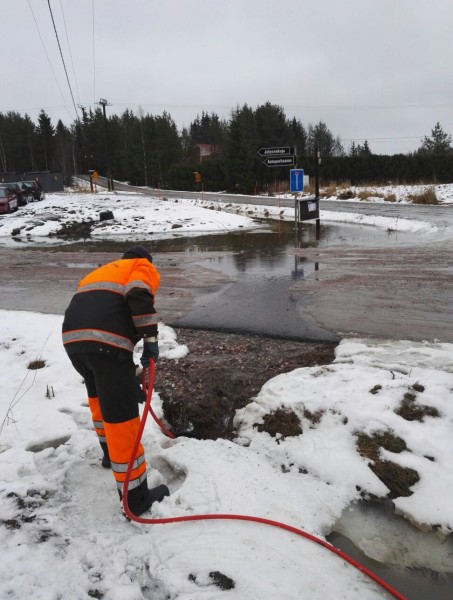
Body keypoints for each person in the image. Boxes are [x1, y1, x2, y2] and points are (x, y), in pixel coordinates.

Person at [62, 245, 169, 516]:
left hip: (74, 343)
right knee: (122, 419)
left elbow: (104, 311)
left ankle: (110, 455)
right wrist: (151, 341)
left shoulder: (101, 272)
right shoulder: (140, 267)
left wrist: (126, 373)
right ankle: (136, 499)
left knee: (100, 399)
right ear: (146, 260)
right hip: (106, 346)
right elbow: (139, 296)